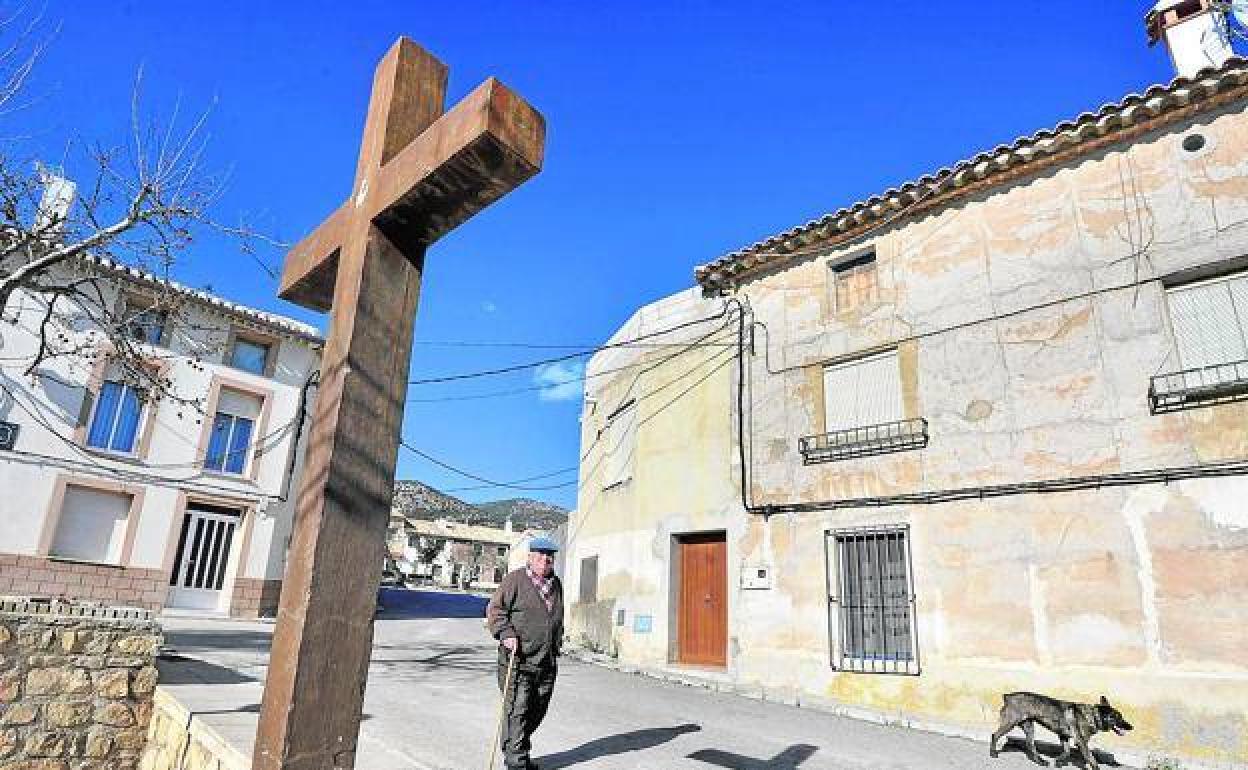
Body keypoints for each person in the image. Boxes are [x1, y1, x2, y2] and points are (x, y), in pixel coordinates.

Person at [486, 536, 564, 770]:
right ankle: (517, 762)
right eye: (540, 555)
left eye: (549, 557)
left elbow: (554, 618)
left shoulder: (556, 583)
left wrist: (557, 641)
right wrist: (506, 633)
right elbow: (495, 610)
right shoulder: (515, 580)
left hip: (546, 660)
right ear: (530, 557)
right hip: (518, 660)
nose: (545, 560)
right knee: (516, 712)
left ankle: (517, 750)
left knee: (537, 711)